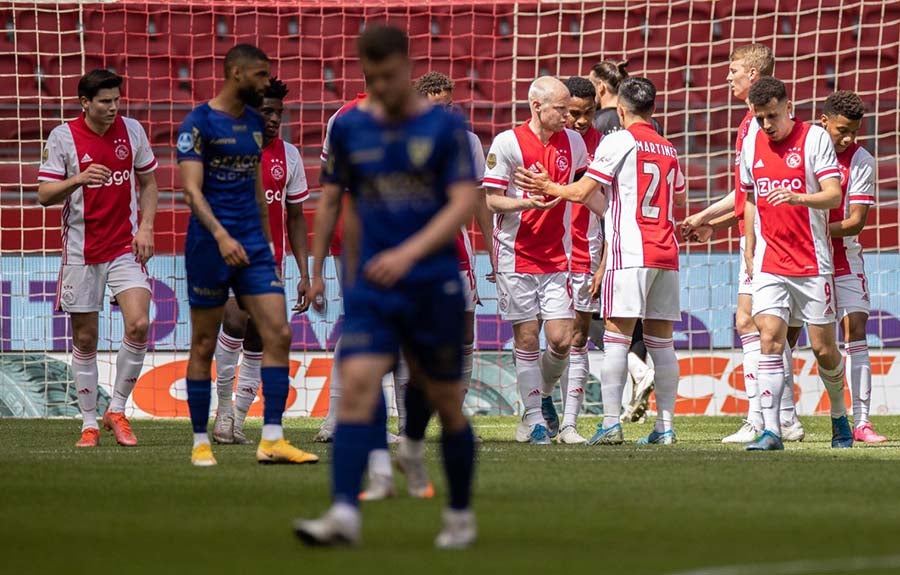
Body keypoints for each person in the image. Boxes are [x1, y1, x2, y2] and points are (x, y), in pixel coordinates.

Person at [293, 26, 479, 548]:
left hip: (431, 281)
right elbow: (333, 203)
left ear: (408, 67)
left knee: (444, 398)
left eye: (390, 75)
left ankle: (460, 514)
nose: (381, 85)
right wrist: (326, 271)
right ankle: (344, 513)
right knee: (356, 387)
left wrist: (409, 253)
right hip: (372, 286)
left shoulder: (445, 129)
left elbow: (464, 202)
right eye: (371, 77)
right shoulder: (350, 129)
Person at [516, 77, 685, 446]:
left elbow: (581, 191)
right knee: (662, 342)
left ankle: (611, 422)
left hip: (630, 250)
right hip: (667, 252)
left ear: (620, 110)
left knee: (616, 336)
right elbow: (680, 199)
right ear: (653, 109)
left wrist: (549, 188)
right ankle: (665, 427)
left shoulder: (618, 141)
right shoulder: (669, 148)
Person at [176, 44, 318, 466]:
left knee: (278, 332)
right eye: (259, 75)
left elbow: (259, 189)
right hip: (210, 243)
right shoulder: (197, 124)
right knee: (204, 341)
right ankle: (201, 439)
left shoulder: (257, 126)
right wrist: (221, 235)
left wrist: (268, 248)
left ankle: (271, 437)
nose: (264, 82)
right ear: (236, 74)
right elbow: (190, 191)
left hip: (254, 246)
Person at [681, 44, 805, 444]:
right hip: (760, 235)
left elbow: (755, 195)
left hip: (768, 241)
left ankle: (762, 418)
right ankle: (784, 418)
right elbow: (746, 194)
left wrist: (707, 219)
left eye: (733, 70)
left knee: (751, 324)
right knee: (771, 330)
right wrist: (709, 220)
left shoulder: (759, 125)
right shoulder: (756, 124)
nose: (726, 77)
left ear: (753, 75)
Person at [37, 69, 158, 448]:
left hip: (125, 245)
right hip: (81, 251)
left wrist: (147, 227)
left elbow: (149, 182)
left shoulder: (132, 130)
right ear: (85, 103)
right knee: (86, 338)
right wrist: (78, 179)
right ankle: (89, 422)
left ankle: (117, 411)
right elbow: (44, 194)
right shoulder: (63, 137)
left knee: (138, 323)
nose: (113, 107)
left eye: (117, 100)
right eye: (105, 101)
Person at [740, 77, 852, 451]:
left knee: (824, 350)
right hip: (771, 261)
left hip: (813, 262)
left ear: (789, 107)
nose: (767, 125)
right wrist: (751, 245)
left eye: (772, 116)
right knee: (769, 339)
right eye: (760, 118)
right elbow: (751, 197)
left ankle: (839, 415)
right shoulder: (751, 141)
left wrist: (798, 198)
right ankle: (772, 430)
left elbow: (833, 194)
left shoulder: (815, 138)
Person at [483, 76, 589, 445]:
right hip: (516, 254)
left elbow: (581, 190)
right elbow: (492, 201)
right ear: (537, 106)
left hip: (558, 256)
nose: (567, 116)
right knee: (527, 337)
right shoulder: (507, 142)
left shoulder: (574, 143)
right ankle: (532, 419)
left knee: (561, 339)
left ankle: (541, 396)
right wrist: (526, 203)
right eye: (560, 109)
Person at [210, 77, 311, 445]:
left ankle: (236, 420)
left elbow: (296, 216)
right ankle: (222, 413)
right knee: (235, 319)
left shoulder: (290, 155)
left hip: (271, 264)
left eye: (278, 113)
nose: (274, 119)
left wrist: (304, 271)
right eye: (266, 111)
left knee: (259, 338)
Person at [587, 59, 656, 420]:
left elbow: (590, 189)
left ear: (600, 88)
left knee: (600, 318)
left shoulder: (599, 126)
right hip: (653, 235)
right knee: (640, 320)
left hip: (611, 231)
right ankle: (638, 405)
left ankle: (634, 378)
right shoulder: (653, 128)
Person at [820, 90, 885, 443]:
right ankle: (780, 418)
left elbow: (856, 221)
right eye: (842, 129)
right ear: (823, 121)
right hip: (805, 259)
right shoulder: (807, 151)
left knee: (856, 328)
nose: (847, 138)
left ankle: (862, 421)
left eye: (854, 132)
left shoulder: (862, 160)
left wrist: (810, 228)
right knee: (791, 335)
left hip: (845, 258)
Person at [556, 75, 604, 444]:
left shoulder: (602, 144)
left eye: (588, 113)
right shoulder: (549, 140)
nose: (582, 120)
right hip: (549, 250)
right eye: (574, 113)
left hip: (587, 249)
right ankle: (540, 398)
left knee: (578, 335)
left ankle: (569, 423)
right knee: (548, 338)